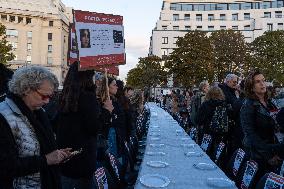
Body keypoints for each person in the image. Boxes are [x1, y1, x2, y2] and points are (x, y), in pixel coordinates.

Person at [0, 66, 71, 189]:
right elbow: (5, 165)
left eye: (50, 97)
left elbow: (40, 147)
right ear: (26, 89)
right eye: (44, 96)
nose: (47, 101)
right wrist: (46, 160)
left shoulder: (38, 112)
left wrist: (57, 155)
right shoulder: (4, 115)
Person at [56, 62, 107, 189]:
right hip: (82, 158)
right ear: (87, 77)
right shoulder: (87, 97)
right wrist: (107, 112)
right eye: (93, 75)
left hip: (65, 157)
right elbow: (93, 128)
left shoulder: (64, 96)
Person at [240, 69, 284, 185]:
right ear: (251, 87)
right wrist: (268, 155)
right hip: (257, 155)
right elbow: (250, 134)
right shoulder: (248, 105)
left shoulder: (270, 102)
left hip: (274, 149)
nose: (262, 84)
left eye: (263, 81)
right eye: (258, 82)